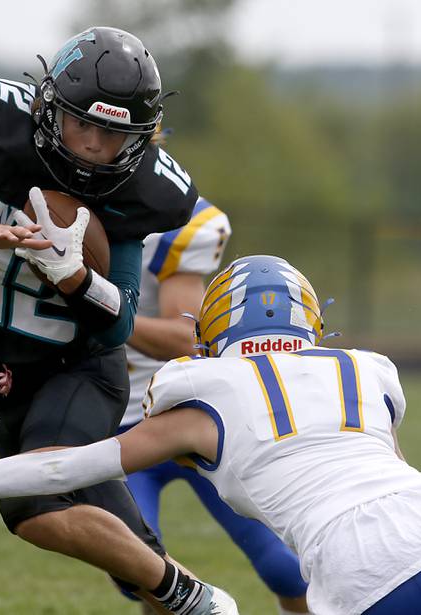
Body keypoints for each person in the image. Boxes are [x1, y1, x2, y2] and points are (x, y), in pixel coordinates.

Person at [0, 254, 421, 615]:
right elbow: (387, 471)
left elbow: (64, 470)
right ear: (307, 322)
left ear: (214, 331)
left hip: (364, 574)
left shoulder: (202, 395)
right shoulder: (365, 371)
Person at [0, 25, 237, 615]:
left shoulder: (146, 189)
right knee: (128, 553)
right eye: (82, 123)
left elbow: (116, 326)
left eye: (113, 133)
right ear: (47, 106)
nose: (94, 144)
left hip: (79, 369)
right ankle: (201, 604)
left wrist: (74, 277)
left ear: (139, 137)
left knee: (31, 505)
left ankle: (189, 597)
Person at [122, 197, 309, 614]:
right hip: (114, 418)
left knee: (285, 567)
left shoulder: (179, 217)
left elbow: (186, 337)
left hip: (199, 416)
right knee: (138, 568)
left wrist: (102, 308)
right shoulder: (54, 202)